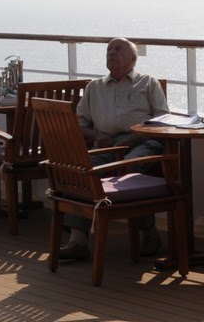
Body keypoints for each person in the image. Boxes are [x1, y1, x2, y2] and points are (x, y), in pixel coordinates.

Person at [62, 38, 170, 260]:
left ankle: (149, 234)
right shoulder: (94, 87)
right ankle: (78, 240)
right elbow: (79, 124)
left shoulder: (148, 83)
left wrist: (132, 138)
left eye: (118, 49)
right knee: (81, 171)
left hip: (142, 141)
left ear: (133, 59)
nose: (112, 52)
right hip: (107, 143)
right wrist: (97, 136)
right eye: (109, 49)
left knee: (129, 170)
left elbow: (162, 120)